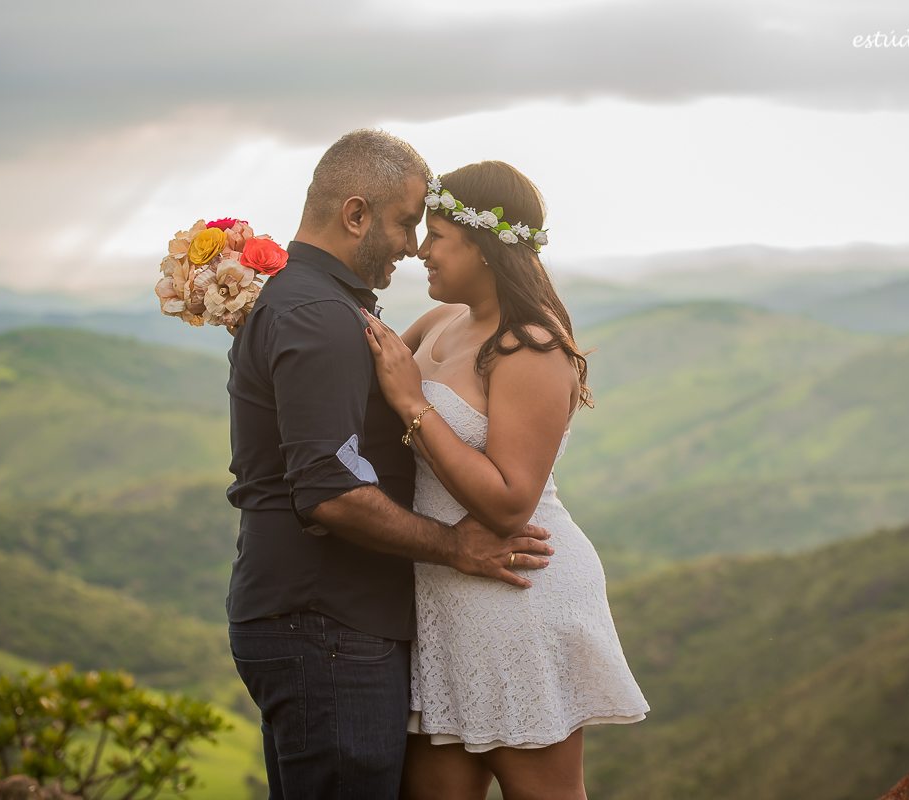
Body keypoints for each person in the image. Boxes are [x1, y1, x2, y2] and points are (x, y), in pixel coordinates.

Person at [225, 132, 555, 800]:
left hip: (326, 616)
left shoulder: (311, 303)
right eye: (408, 224)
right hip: (328, 618)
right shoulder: (319, 314)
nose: (412, 245)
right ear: (356, 215)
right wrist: (454, 546)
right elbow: (332, 493)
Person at [362, 160, 649, 800]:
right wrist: (251, 298)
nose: (422, 251)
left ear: (485, 248)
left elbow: (510, 503)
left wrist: (413, 404)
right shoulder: (440, 323)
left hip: (518, 593)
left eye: (438, 236)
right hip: (443, 596)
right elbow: (355, 364)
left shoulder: (530, 348)